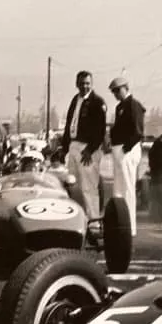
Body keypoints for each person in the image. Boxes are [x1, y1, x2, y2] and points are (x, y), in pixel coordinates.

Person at [60, 71, 107, 219]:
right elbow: (69, 125)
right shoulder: (75, 100)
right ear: (76, 84)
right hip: (74, 146)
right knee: (73, 185)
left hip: (88, 149)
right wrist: (64, 148)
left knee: (89, 187)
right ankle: (76, 219)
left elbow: (100, 130)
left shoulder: (97, 102)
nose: (84, 86)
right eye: (81, 83)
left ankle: (93, 220)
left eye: (87, 83)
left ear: (92, 84)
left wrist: (90, 150)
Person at [109, 76, 145, 237]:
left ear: (126, 88)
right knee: (118, 188)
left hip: (127, 150)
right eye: (114, 91)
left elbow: (138, 132)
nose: (116, 93)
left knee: (128, 188)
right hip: (119, 149)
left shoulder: (133, 105)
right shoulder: (120, 107)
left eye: (118, 90)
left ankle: (130, 227)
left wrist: (126, 148)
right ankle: (119, 223)